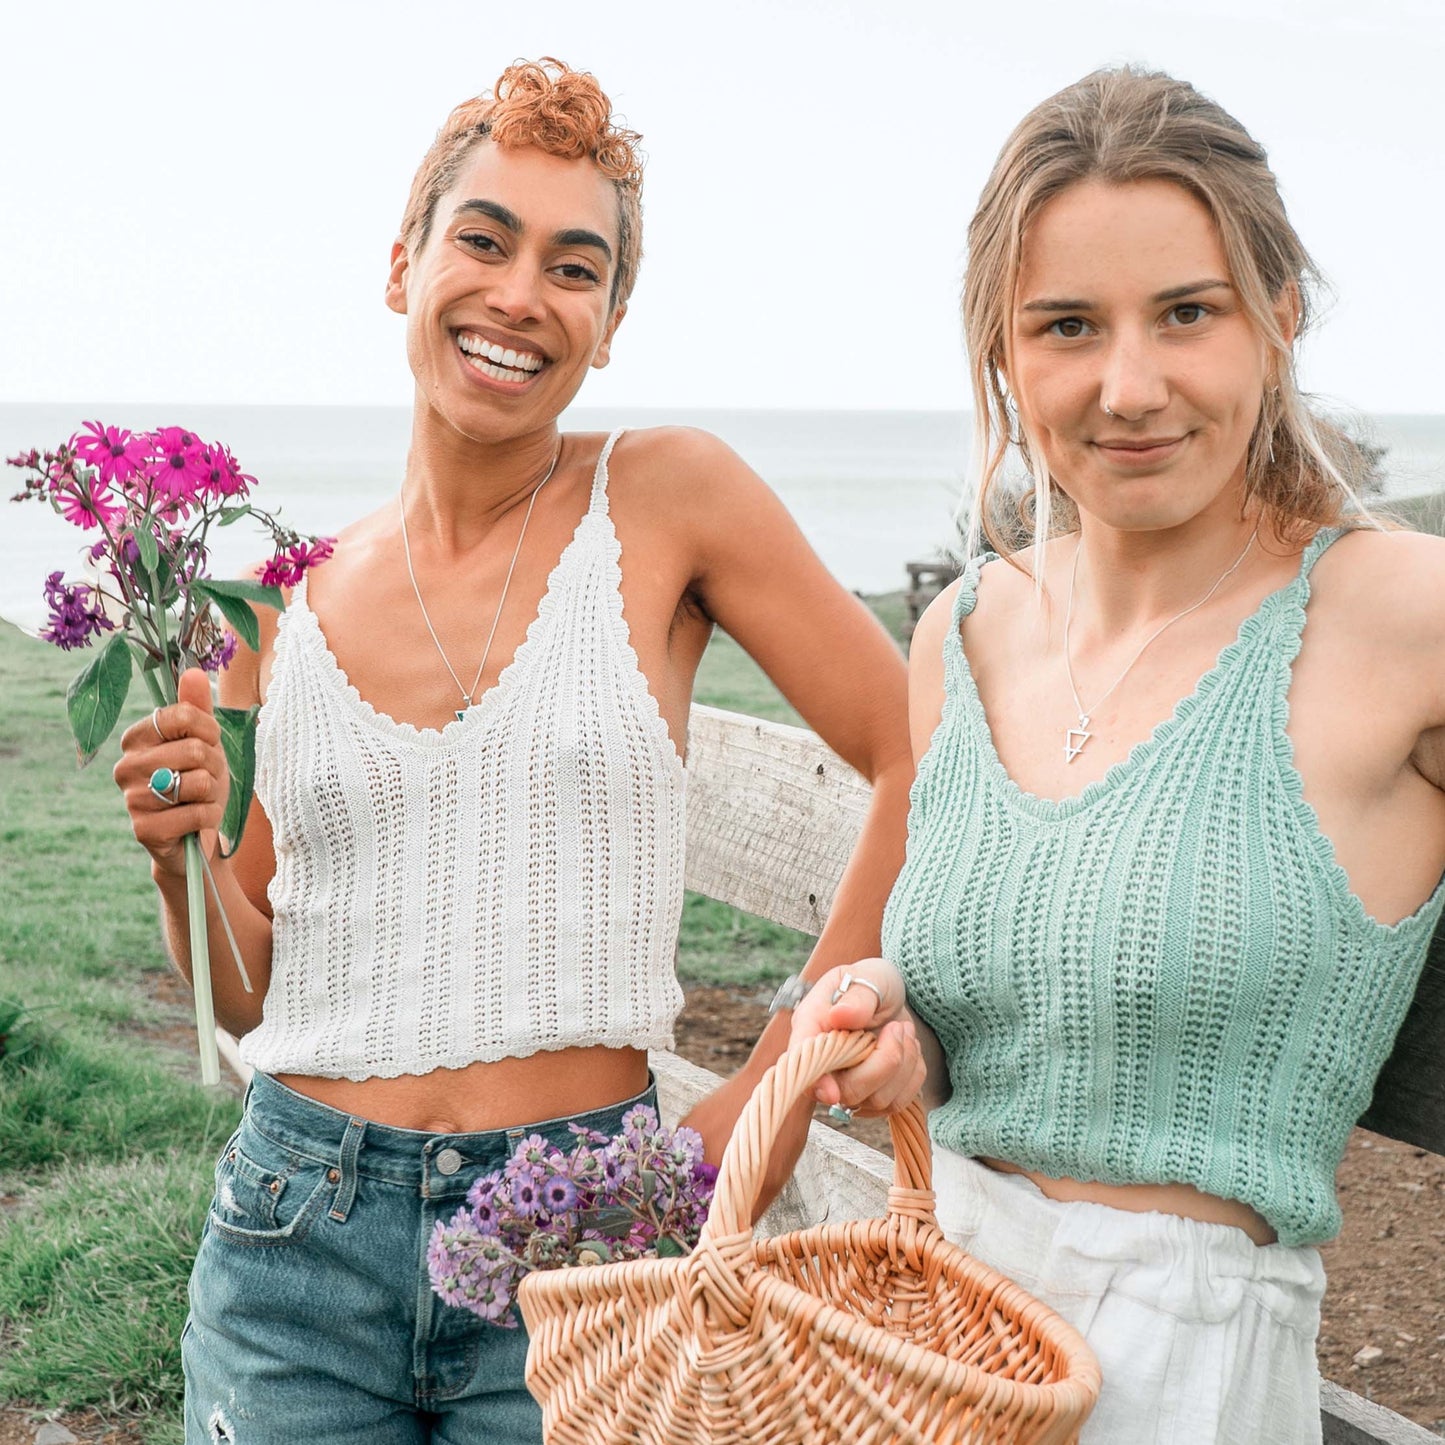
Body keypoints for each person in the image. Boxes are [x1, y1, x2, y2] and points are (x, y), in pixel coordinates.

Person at [111, 59, 921, 1444]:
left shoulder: (667, 499)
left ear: (605, 324)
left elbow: (918, 751)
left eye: (573, 265)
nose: (517, 293)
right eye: (481, 239)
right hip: (296, 1238)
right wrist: (173, 857)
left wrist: (773, 1079)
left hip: (594, 1234)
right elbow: (248, 1002)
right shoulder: (267, 614)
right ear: (401, 266)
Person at [800, 66, 1445, 1444]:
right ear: (1001, 352)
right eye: (1066, 326)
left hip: (1184, 1379)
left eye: (1186, 314)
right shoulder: (964, 631)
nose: (1128, 385)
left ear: (1275, 320)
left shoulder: (1398, 614)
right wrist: (911, 1049)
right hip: (930, 1337)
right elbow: (1018, 1028)